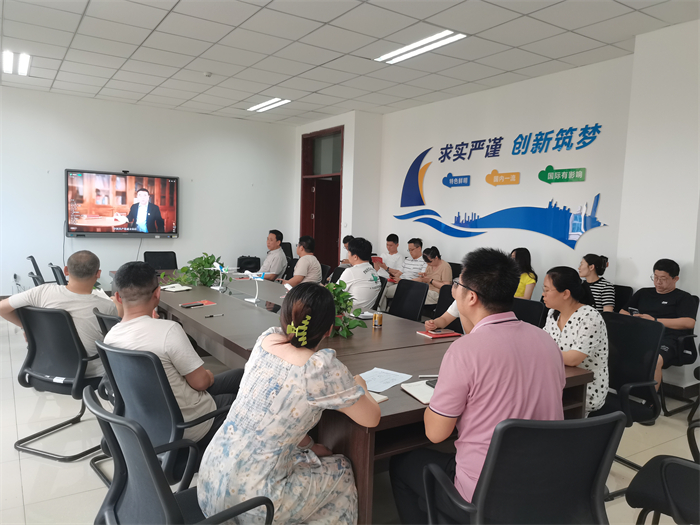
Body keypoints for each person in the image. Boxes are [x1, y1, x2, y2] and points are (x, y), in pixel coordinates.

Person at [390, 248, 565, 524]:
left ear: (471, 297)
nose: (454, 291)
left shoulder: (466, 350)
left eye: (457, 285)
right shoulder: (547, 341)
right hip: (544, 484)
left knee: (402, 464)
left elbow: (435, 434)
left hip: (483, 496)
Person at [197, 283, 381, 524]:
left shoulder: (266, 340)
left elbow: (281, 414)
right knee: (342, 470)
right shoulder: (318, 368)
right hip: (254, 505)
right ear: (329, 329)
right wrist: (361, 387)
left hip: (210, 483)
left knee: (304, 459)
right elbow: (372, 418)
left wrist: (311, 445)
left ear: (284, 318)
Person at [105, 261, 244, 454]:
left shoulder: (110, 337)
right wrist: (208, 376)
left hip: (144, 421)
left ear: (118, 297)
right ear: (157, 293)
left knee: (239, 376)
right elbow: (201, 383)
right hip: (186, 427)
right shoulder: (169, 330)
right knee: (237, 399)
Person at [0, 250, 118, 378]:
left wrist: (29, 329)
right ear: (98, 274)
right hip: (89, 374)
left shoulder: (41, 292)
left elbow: (1, 308)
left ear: (65, 270)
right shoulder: (107, 306)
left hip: (46, 369)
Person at [621, 259, 697, 389]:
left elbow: (689, 322)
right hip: (641, 335)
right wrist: (636, 319)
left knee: (654, 360)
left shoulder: (683, 297)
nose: (658, 282)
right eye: (655, 277)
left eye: (663, 279)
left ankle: (650, 399)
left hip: (668, 338)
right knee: (613, 352)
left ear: (675, 279)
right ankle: (620, 390)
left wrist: (655, 320)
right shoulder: (644, 293)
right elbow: (623, 311)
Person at [543, 266, 609, 414]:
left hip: (584, 387)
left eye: (547, 290)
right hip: (557, 378)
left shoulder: (590, 317)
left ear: (566, 293)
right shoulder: (553, 313)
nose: (543, 294)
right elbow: (542, 343)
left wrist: (540, 353)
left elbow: (574, 359)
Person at [379, 238, 427, 310]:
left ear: (419, 248)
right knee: (381, 285)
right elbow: (399, 272)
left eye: (412, 250)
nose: (410, 252)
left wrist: (402, 281)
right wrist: (394, 276)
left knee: (384, 291)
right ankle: (381, 310)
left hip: (409, 285)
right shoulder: (407, 259)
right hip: (399, 281)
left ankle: (381, 311)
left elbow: (421, 279)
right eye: (409, 250)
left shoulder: (425, 261)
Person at [338, 237, 382, 310]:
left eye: (348, 252)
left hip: (351, 313)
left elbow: (335, 292)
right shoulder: (373, 271)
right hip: (369, 313)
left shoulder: (351, 271)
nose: (348, 255)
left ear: (355, 257)